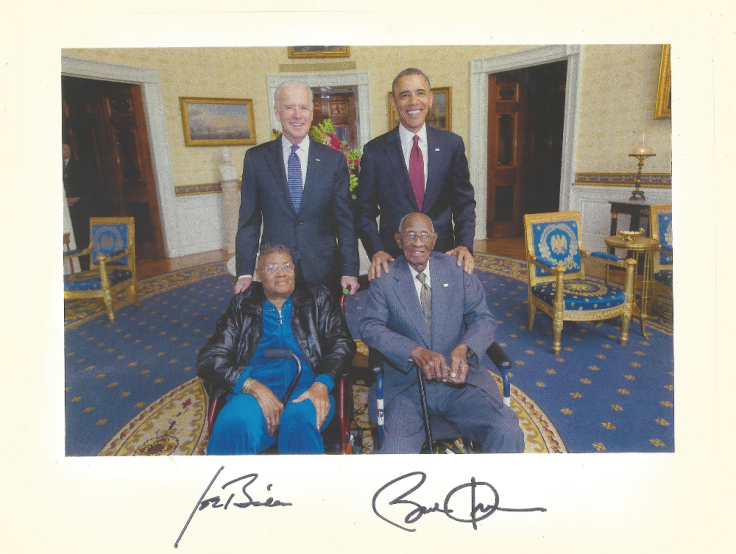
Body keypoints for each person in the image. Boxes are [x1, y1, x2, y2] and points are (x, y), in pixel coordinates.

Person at [359, 213, 523, 454]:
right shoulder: (385, 278)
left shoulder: (457, 270)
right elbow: (370, 326)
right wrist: (413, 351)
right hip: (408, 388)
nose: (417, 243)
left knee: (507, 431)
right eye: (410, 235)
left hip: (460, 383)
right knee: (395, 451)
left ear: (434, 240)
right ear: (398, 239)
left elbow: (483, 318)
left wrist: (465, 348)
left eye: (425, 235)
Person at [198, 244, 356, 455]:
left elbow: (342, 343)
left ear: (294, 269)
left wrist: (322, 383)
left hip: (308, 389)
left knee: (298, 422)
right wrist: (253, 387)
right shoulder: (241, 306)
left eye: (286, 266)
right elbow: (210, 358)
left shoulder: (318, 298)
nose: (281, 274)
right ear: (258, 274)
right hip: (252, 395)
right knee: (233, 424)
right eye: (271, 268)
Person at [234, 80, 359, 297]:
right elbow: (249, 222)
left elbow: (345, 221)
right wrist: (244, 272)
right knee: (280, 330)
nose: (297, 115)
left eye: (303, 108)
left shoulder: (333, 160)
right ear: (277, 113)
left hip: (323, 270)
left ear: (312, 113)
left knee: (325, 329)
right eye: (289, 107)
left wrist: (350, 270)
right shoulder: (256, 159)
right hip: (276, 270)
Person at [356, 68, 476, 281]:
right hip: (393, 260)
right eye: (404, 95)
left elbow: (464, 203)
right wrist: (376, 251)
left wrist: (464, 245)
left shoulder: (451, 145)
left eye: (420, 93)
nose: (413, 101)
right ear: (394, 103)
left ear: (430, 99)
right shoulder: (375, 152)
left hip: (443, 254)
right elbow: (364, 212)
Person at [63, 142, 96, 257]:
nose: (64, 151)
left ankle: (86, 256)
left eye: (66, 149)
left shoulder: (79, 166)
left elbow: (86, 185)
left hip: (79, 205)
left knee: (82, 231)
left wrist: (77, 198)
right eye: (62, 149)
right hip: (65, 207)